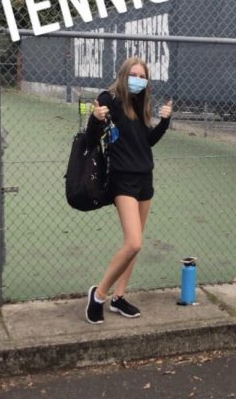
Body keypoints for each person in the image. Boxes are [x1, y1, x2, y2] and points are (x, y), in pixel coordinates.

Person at [85, 57, 172, 324]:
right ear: (123, 75)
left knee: (133, 246)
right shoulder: (108, 99)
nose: (137, 79)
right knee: (134, 242)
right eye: (133, 74)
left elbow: (146, 143)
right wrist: (94, 118)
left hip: (145, 177)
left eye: (142, 76)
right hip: (122, 180)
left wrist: (164, 123)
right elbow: (91, 139)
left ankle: (118, 297)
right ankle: (98, 295)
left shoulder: (139, 103)